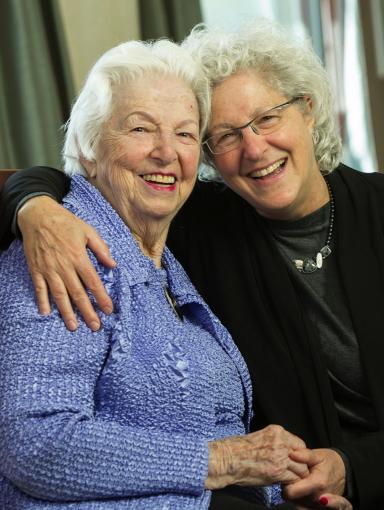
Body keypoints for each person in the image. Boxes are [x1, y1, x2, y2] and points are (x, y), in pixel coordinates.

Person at [0, 20, 359, 510]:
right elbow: (36, 445)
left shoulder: (172, 251)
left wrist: (280, 495)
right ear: (88, 147)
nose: (166, 152)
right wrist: (32, 205)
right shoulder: (62, 255)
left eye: (185, 134)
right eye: (141, 128)